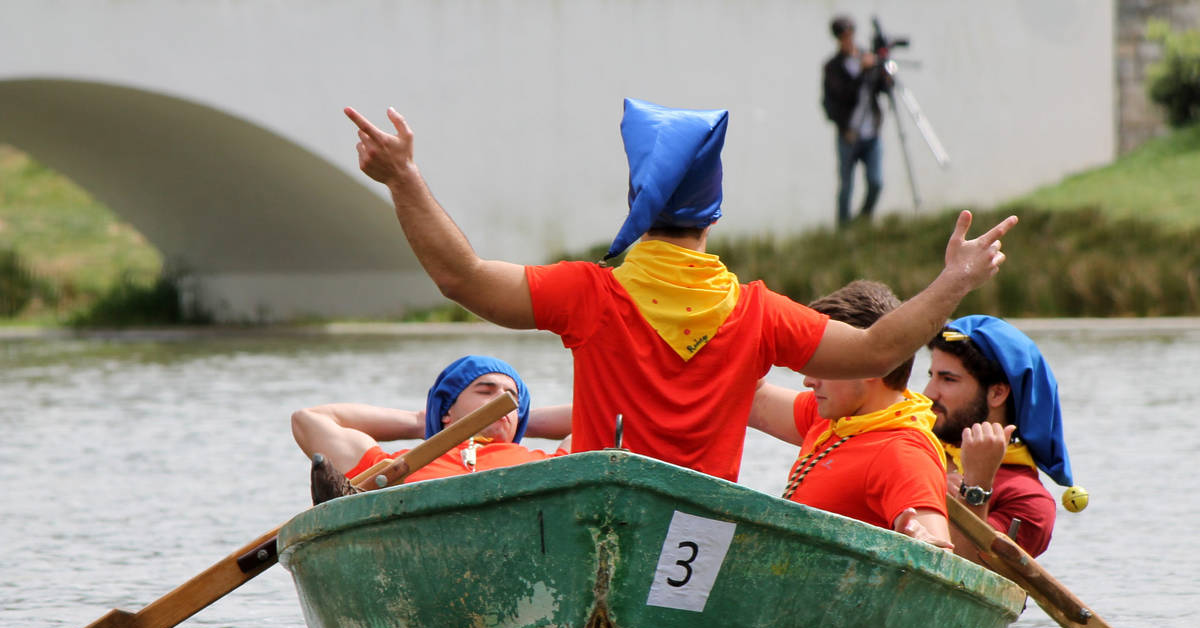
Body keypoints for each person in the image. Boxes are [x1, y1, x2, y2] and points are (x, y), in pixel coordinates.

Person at [344, 97, 1017, 483]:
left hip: (594, 516)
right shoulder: (760, 316)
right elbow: (877, 351)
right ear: (714, 214)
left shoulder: (585, 293)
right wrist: (953, 280)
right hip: (696, 544)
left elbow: (459, 276)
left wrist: (403, 178)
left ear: (635, 204)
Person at [749, 281, 951, 550]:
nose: (808, 380)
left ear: (869, 364)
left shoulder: (903, 453)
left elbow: (939, 553)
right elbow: (752, 398)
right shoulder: (832, 417)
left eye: (823, 365)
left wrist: (920, 543)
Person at [292, 355, 569, 503]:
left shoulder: (556, 465)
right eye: (486, 392)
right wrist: (419, 422)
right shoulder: (392, 468)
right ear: (447, 410)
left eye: (512, 398)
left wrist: (518, 419)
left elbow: (608, 414)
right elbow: (309, 419)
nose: (502, 401)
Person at [924, 316, 1078, 558]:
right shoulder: (916, 450)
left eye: (948, 379)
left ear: (997, 393)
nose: (929, 393)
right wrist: (931, 483)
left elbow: (965, 571)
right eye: (931, 376)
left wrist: (976, 486)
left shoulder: (1028, 501)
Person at [822, 15, 892, 226]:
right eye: (843, 36)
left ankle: (864, 219)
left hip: (871, 132)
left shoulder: (867, 57)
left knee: (876, 182)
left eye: (850, 34)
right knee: (846, 186)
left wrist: (883, 69)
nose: (848, 39)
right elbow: (840, 98)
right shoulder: (833, 67)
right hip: (849, 135)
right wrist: (862, 71)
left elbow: (883, 89)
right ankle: (843, 228)